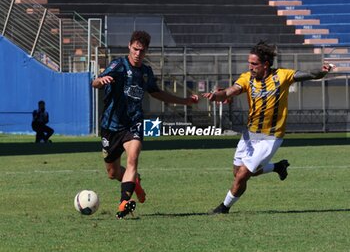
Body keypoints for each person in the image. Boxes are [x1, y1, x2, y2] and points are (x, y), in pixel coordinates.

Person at [202, 40, 334, 214]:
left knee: (243, 175)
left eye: (254, 64)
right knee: (239, 173)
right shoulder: (247, 78)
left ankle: (223, 208)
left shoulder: (282, 76)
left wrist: (322, 72)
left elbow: (309, 74)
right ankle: (277, 167)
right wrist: (215, 96)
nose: (250, 67)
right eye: (249, 63)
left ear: (265, 65)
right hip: (250, 135)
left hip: (271, 137)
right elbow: (229, 91)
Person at [92, 30, 199, 219]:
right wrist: (101, 81)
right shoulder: (118, 64)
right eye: (135, 49)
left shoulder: (146, 72)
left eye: (141, 51)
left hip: (133, 123)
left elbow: (156, 92)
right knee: (112, 172)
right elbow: (95, 82)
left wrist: (184, 101)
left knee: (133, 158)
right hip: (111, 126)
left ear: (146, 51)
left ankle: (123, 203)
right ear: (129, 47)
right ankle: (135, 183)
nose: (137, 54)